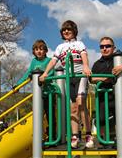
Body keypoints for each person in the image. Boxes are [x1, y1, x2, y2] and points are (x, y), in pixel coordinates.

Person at [39, 20, 94, 149]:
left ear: (74, 31)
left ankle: (88, 134)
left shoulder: (79, 43)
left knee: (81, 103)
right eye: (64, 30)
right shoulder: (60, 47)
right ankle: (75, 136)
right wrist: (45, 73)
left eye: (69, 29)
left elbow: (83, 55)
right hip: (69, 78)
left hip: (80, 75)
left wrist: (86, 66)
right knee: (73, 108)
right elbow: (53, 61)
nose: (66, 32)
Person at [91, 37, 122, 146]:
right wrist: (105, 79)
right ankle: (104, 142)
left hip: (117, 95)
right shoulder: (97, 63)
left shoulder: (119, 57)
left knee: (119, 118)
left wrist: (121, 67)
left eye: (108, 46)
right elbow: (92, 78)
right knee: (101, 120)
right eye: (102, 47)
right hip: (103, 96)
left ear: (113, 47)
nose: (104, 48)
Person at [14, 39, 55, 139]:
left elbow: (51, 73)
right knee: (38, 116)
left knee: (50, 116)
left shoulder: (49, 61)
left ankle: (52, 135)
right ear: (34, 51)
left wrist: (43, 77)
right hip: (38, 95)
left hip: (48, 93)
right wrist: (18, 85)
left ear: (45, 51)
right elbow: (28, 74)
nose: (39, 51)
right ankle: (40, 136)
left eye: (41, 49)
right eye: (36, 49)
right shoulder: (34, 61)